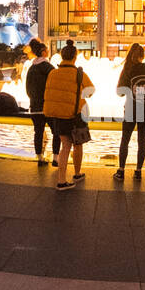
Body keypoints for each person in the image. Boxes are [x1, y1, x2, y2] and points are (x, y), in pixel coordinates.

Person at [42, 42, 94, 191]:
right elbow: (90, 91)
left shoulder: (53, 73)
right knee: (78, 145)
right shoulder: (79, 73)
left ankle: (61, 180)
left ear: (62, 56)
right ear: (75, 57)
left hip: (58, 115)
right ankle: (76, 174)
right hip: (75, 114)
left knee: (65, 146)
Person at [115, 43, 145, 181]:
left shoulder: (127, 70)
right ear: (143, 56)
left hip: (131, 109)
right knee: (142, 141)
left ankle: (121, 171)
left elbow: (119, 92)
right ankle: (138, 171)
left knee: (125, 140)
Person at [24, 39, 59, 166]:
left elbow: (27, 89)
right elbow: (56, 83)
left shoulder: (31, 68)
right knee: (56, 131)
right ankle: (56, 157)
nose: (49, 52)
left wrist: (33, 99)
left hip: (34, 106)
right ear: (44, 52)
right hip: (48, 105)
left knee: (38, 132)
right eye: (48, 51)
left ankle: (40, 158)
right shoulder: (48, 67)